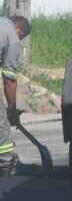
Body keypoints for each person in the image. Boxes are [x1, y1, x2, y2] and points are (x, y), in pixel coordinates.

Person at [0, 16, 31, 177]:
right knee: (1, 124)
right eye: (22, 37)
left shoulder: (1, 22)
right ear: (19, 29)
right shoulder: (12, 37)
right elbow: (9, 79)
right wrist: (11, 108)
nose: (20, 40)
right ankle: (6, 164)